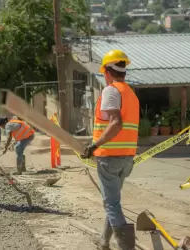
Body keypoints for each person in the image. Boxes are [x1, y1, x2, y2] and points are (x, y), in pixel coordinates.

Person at [81, 49, 139, 250]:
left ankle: (126, 247)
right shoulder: (130, 93)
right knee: (112, 202)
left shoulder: (111, 91)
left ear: (106, 70)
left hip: (110, 158)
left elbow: (116, 123)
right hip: (127, 158)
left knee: (112, 204)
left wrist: (94, 145)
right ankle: (104, 242)